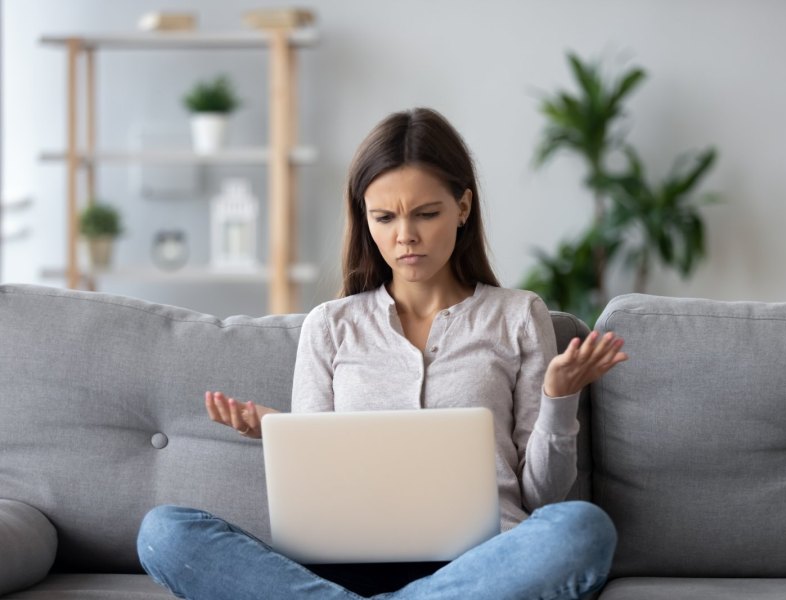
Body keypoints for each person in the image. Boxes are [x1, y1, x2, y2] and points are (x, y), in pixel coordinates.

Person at [137, 107, 627, 599]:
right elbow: (315, 504)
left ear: (463, 208)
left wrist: (559, 400)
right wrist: (282, 435)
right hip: (347, 565)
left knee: (584, 529)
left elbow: (540, 497)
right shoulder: (330, 326)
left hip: (481, 562)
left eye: (426, 213)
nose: (405, 236)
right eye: (384, 217)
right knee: (165, 533)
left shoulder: (518, 316)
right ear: (364, 218)